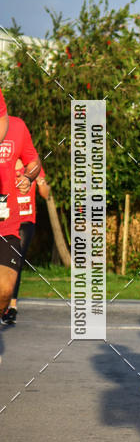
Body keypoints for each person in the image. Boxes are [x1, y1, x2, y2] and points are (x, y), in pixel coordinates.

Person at [0, 115, 41, 316]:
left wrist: (28, 177)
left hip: (8, 222)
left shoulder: (17, 126)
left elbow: (33, 161)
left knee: (6, 289)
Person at [1, 160, 49, 324]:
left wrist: (41, 183)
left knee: (16, 261)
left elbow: (45, 193)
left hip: (25, 222)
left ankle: (12, 306)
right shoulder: (4, 162)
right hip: (6, 220)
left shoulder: (34, 166)